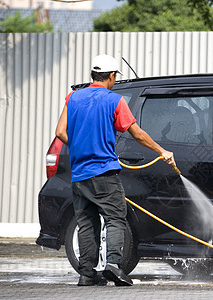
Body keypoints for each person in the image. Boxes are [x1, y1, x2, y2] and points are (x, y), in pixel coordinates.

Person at [55, 54, 175, 286]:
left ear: (92, 76)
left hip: (79, 173)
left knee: (87, 222)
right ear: (111, 76)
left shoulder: (73, 97)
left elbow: (60, 132)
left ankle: (87, 274)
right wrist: (162, 151)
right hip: (103, 171)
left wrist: (80, 146)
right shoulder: (114, 100)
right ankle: (113, 265)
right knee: (115, 218)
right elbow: (137, 133)